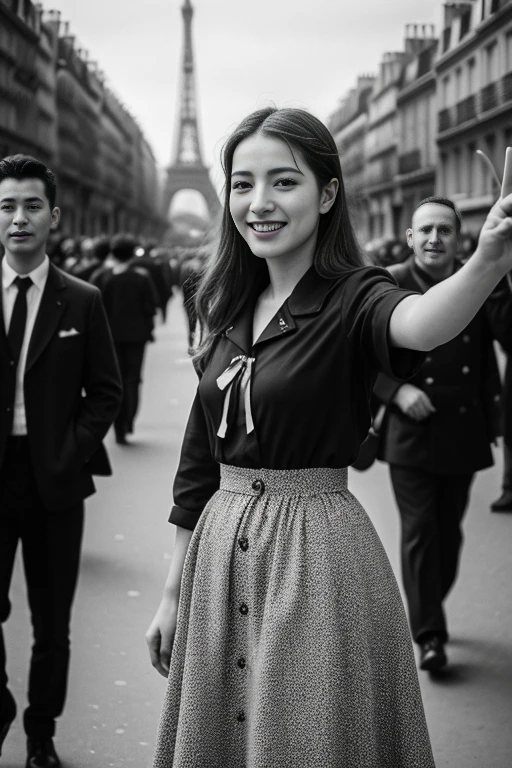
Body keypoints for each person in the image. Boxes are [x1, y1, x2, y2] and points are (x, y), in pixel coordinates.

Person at [146, 107, 512, 768]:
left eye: (284, 183)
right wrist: (173, 593)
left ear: (328, 192)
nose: (260, 203)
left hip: (314, 560)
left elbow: (423, 322)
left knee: (309, 735)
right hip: (218, 556)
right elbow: (199, 462)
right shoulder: (224, 307)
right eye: (242, 184)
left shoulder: (355, 296)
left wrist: (486, 261)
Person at [0, 155, 122, 768]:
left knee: (52, 625)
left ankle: (41, 730)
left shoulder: (83, 300)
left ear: (53, 215)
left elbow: (107, 390)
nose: (18, 218)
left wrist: (70, 449)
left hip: (54, 481)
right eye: (6, 206)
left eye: (30, 206)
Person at [373, 197, 512, 673]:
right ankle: (429, 633)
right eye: (425, 230)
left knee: (448, 534)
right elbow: (352, 354)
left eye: (445, 231)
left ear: (460, 239)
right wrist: (395, 391)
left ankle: (431, 604)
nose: (434, 238)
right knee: (419, 531)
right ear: (410, 238)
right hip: (410, 430)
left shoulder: (479, 280)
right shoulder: (387, 281)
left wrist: (504, 273)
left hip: (463, 425)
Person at [100, 233, 158, 444]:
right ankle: (128, 421)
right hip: (137, 337)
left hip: (110, 337)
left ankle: (117, 424)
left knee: (115, 381)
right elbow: (151, 306)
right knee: (133, 379)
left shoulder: (104, 277)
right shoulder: (141, 277)